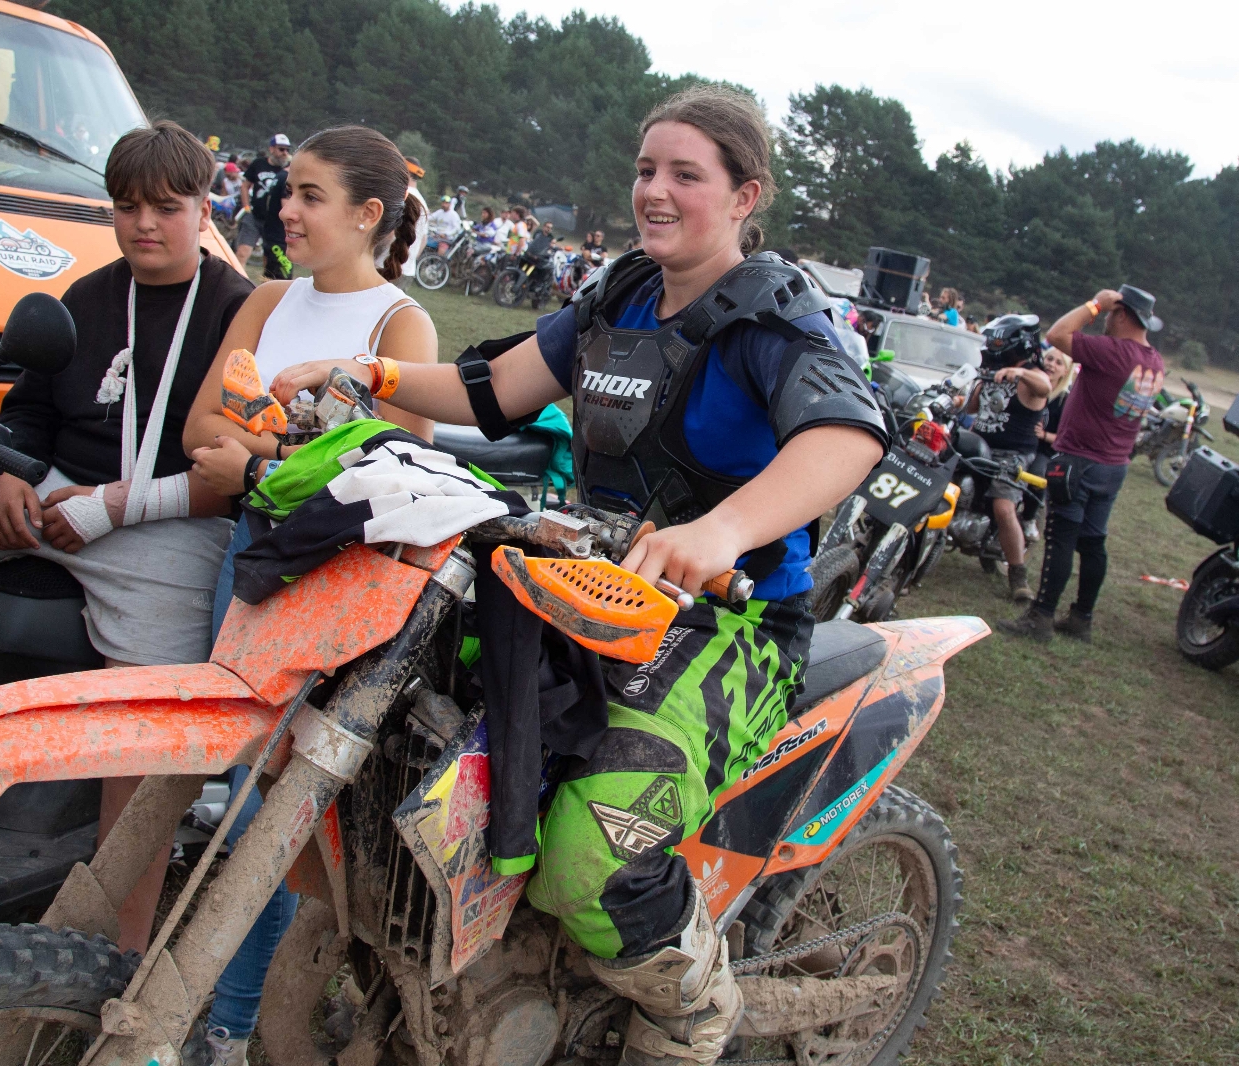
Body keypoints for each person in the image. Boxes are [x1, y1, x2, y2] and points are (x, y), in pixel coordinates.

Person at [271, 85, 887, 1066]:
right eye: (646, 169)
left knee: (592, 856)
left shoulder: (774, 320)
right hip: (584, 592)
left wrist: (721, 530)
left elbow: (847, 434)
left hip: (729, 628)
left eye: (685, 174)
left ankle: (697, 1010)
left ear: (744, 197)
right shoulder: (621, 296)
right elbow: (494, 389)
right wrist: (369, 375)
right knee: (419, 748)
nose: (655, 190)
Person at [0, 122, 252, 956]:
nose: (144, 224)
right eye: (126, 207)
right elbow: (30, 407)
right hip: (49, 493)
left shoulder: (235, 306)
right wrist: (7, 471)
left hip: (170, 521)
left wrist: (111, 507)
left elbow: (231, 468)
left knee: (145, 730)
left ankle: (115, 949)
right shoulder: (87, 295)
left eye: (166, 207)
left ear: (204, 208)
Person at [180, 125, 439, 1066]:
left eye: (309, 196)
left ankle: (231, 1022)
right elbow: (197, 428)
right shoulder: (267, 298)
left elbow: (388, 473)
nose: (284, 209)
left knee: (271, 810)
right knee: (237, 779)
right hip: (251, 558)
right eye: (287, 191)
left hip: (335, 585)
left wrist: (257, 455)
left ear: (367, 214)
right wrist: (296, 450)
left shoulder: (398, 329)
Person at [1001, 285, 1165, 643]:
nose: (1105, 319)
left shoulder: (1112, 351)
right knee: (1093, 542)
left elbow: (1057, 334)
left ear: (1121, 314)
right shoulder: (1154, 360)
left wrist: (1094, 305)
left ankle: (1041, 617)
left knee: (1061, 538)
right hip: (1114, 465)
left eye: (1111, 313)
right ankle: (1081, 618)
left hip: (1079, 461)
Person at [964, 315, 1048, 602]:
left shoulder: (1031, 375)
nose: (992, 348)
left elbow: (1045, 388)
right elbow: (971, 407)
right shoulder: (992, 371)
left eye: (998, 343)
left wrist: (1019, 373)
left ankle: (1018, 574)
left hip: (1012, 453)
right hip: (978, 445)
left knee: (1003, 506)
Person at [1023, 346, 1074, 540]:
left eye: (1058, 363)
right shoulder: (1029, 386)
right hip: (1022, 443)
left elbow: (1067, 437)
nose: (1052, 365)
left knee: (1037, 475)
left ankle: (1029, 518)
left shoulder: (1065, 400)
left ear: (1065, 371)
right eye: (1050, 359)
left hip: (1045, 451)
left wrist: (1044, 435)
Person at [239, 135, 292, 275]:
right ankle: (238, 283)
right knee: (243, 252)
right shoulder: (259, 164)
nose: (285, 153)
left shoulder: (287, 170)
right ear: (272, 149)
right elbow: (245, 185)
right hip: (255, 215)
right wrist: (246, 207)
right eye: (281, 149)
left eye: (287, 150)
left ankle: (266, 284)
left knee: (270, 258)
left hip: (274, 222)